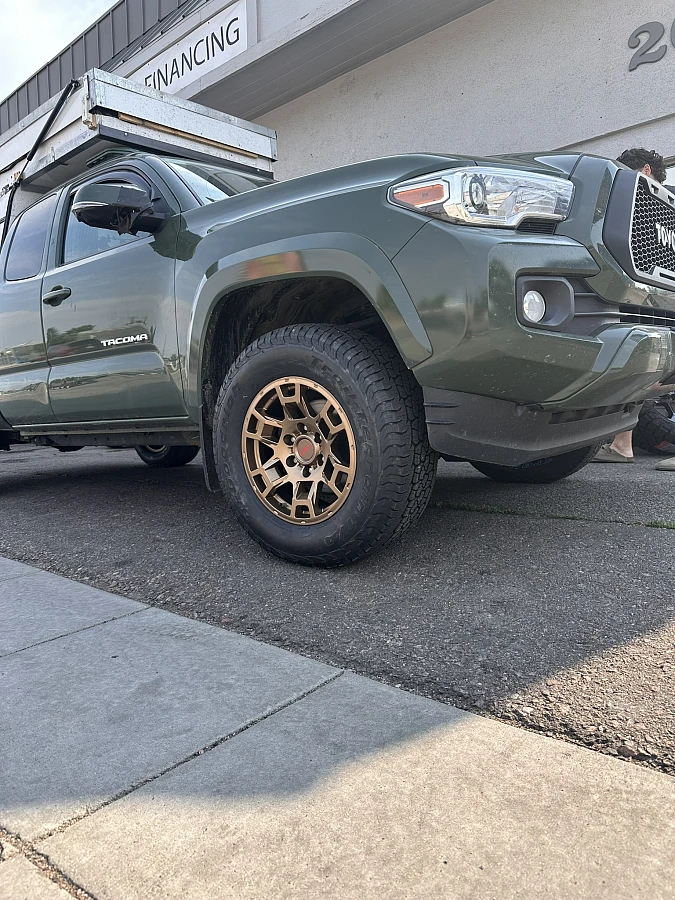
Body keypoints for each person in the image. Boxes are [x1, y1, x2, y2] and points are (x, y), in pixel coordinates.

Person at [592, 148, 675, 471]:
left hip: (659, 297)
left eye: (624, 173)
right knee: (636, 367)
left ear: (645, 170)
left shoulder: (659, 201)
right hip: (650, 297)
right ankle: (621, 444)